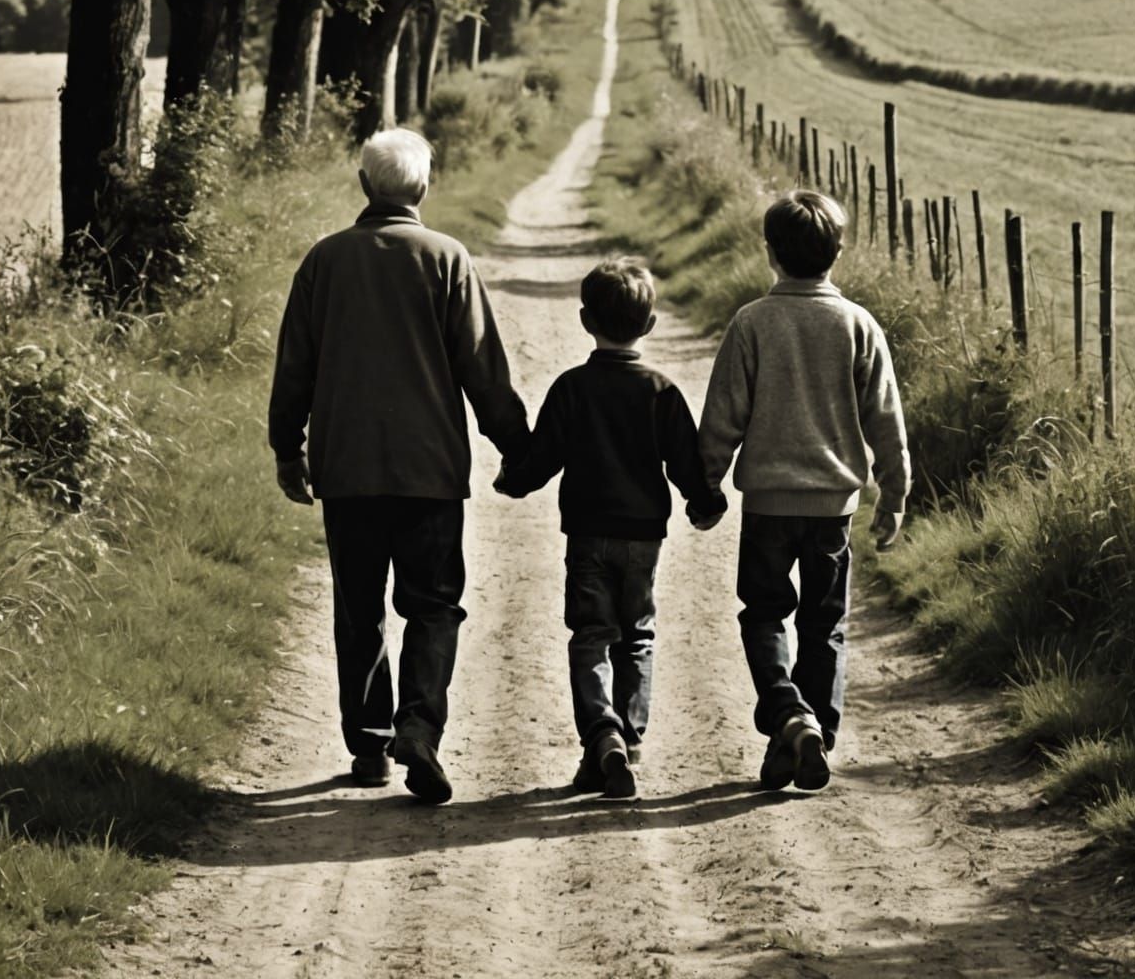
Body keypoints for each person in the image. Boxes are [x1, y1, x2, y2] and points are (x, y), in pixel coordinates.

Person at [268, 128, 529, 805]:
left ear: (364, 186)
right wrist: (518, 445)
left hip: (347, 469)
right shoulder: (446, 259)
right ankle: (420, 725)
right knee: (434, 605)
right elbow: (482, 367)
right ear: (424, 189)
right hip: (429, 472)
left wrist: (286, 448)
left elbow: (295, 365)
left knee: (360, 610)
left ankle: (371, 745)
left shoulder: (324, 262)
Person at [697, 189, 910, 793]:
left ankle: (789, 718)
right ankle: (812, 726)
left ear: (770, 254)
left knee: (763, 615)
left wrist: (706, 483)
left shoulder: (752, 323)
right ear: (837, 253)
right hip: (832, 511)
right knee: (825, 628)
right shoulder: (857, 325)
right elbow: (886, 422)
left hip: (767, 504)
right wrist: (893, 496)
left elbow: (723, 416)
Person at [494, 257, 726, 798]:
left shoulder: (572, 388)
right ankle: (629, 736)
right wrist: (703, 500)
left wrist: (515, 480)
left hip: (588, 534)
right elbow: (684, 462)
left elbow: (543, 454)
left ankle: (602, 735)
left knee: (592, 635)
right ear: (649, 325)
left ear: (583, 320)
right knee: (637, 634)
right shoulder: (662, 391)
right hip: (644, 537)